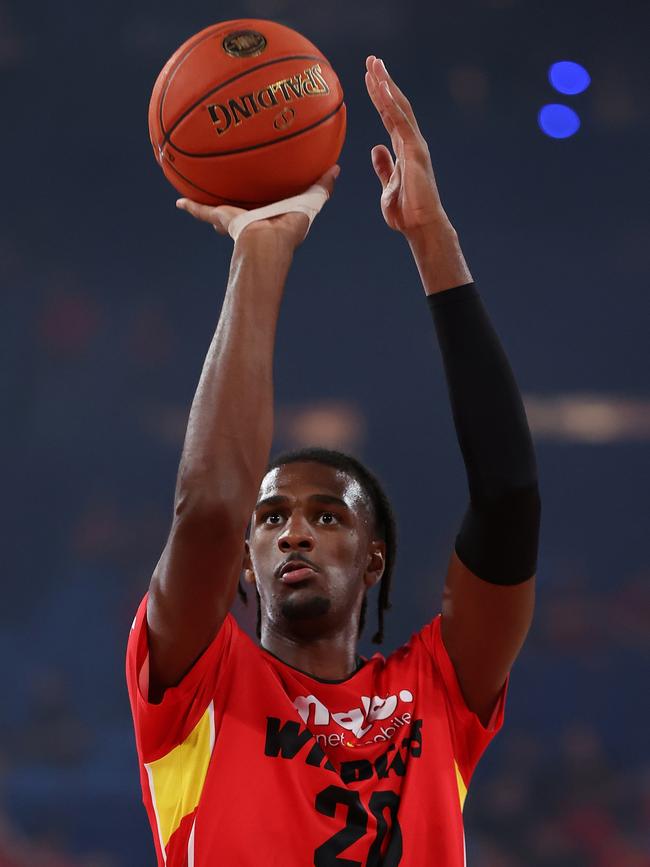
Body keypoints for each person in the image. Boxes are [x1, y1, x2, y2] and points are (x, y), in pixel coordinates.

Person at [126, 56, 540, 866]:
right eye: (273, 518)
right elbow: (209, 508)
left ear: (375, 556)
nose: (294, 533)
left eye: (327, 515)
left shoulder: (435, 693)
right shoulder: (193, 690)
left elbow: (511, 495)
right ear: (244, 564)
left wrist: (433, 240)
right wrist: (262, 245)